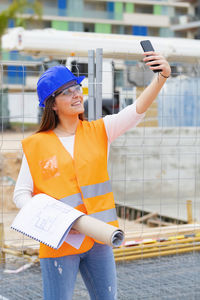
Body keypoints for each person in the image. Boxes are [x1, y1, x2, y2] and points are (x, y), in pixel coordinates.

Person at [13, 51, 171, 300]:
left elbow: (136, 110)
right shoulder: (36, 145)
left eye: (77, 87)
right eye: (67, 91)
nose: (77, 94)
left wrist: (161, 78)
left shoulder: (100, 131)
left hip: (100, 238)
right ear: (52, 104)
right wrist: (50, 218)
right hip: (59, 243)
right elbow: (21, 194)